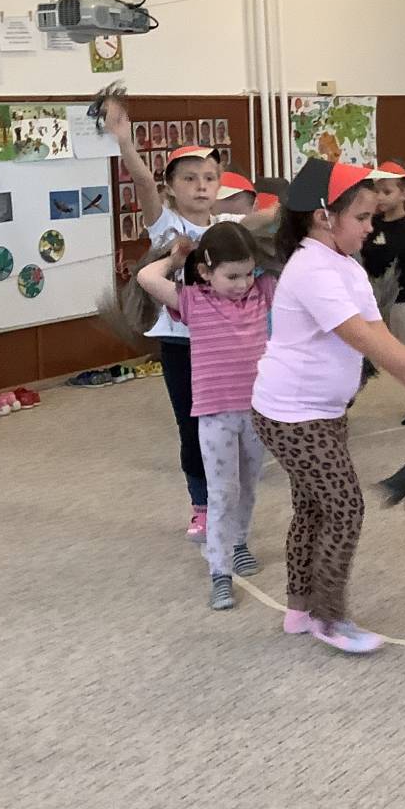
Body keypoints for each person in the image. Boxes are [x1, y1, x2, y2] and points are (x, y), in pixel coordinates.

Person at [252, 158, 405, 655]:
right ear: (324, 217)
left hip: (321, 411)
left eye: (372, 217)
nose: (371, 227)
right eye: (362, 218)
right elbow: (359, 337)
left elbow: (378, 333)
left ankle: (300, 608)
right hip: (292, 415)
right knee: (344, 507)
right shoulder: (311, 268)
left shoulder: (345, 266)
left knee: (313, 507)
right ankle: (329, 618)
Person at [136, 222, 275, 611]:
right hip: (215, 416)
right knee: (222, 492)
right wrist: (177, 257)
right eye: (232, 276)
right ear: (205, 272)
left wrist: (263, 251)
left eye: (248, 273)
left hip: (258, 413)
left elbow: (287, 266)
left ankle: (240, 542)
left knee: (248, 485)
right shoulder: (193, 301)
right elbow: (147, 277)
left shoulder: (262, 292)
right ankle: (220, 571)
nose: (242, 284)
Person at [107, 96, 221, 540]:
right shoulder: (166, 225)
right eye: (189, 178)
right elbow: (141, 181)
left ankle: (229, 497)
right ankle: (201, 506)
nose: (201, 186)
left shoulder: (227, 228)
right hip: (179, 342)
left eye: (209, 178)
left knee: (226, 424)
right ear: (171, 187)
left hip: (222, 341)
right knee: (190, 425)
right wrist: (124, 141)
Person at [360, 160, 405, 425]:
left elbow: (388, 254)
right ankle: (348, 395)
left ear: (404, 194)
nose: (380, 197)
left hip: (404, 300)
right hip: (377, 300)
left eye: (386, 192)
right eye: (376, 191)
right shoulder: (373, 222)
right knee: (367, 349)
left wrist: (370, 250)